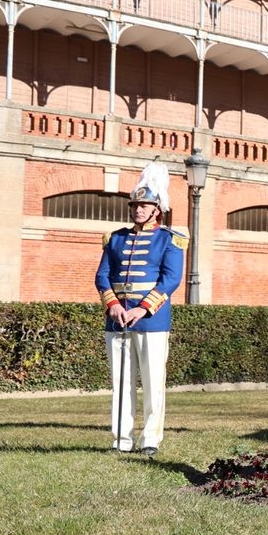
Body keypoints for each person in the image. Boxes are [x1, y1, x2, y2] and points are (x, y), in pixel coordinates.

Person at [95, 162, 186, 457]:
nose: (138, 210)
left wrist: (142, 309)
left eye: (144, 205)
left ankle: (150, 439)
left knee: (152, 381)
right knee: (121, 382)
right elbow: (102, 276)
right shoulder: (116, 238)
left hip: (152, 321)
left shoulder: (169, 239)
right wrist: (112, 305)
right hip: (117, 320)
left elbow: (170, 280)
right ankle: (121, 439)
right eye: (135, 205)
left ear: (156, 209)